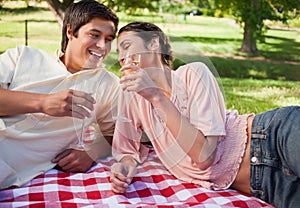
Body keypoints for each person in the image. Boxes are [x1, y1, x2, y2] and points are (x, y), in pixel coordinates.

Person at [110, 22, 300, 208]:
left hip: (274, 137)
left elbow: (204, 156)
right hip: (265, 185)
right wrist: (123, 169)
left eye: (126, 46)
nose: (121, 57)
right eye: (118, 52)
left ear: (153, 43)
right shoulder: (132, 98)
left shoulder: (193, 73)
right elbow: (126, 151)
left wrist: (156, 96)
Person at [0, 0, 120, 190]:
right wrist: (43, 103)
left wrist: (91, 152)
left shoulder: (108, 84)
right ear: (70, 32)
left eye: (108, 39)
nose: (102, 46)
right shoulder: (23, 56)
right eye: (95, 35)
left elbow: (119, 132)